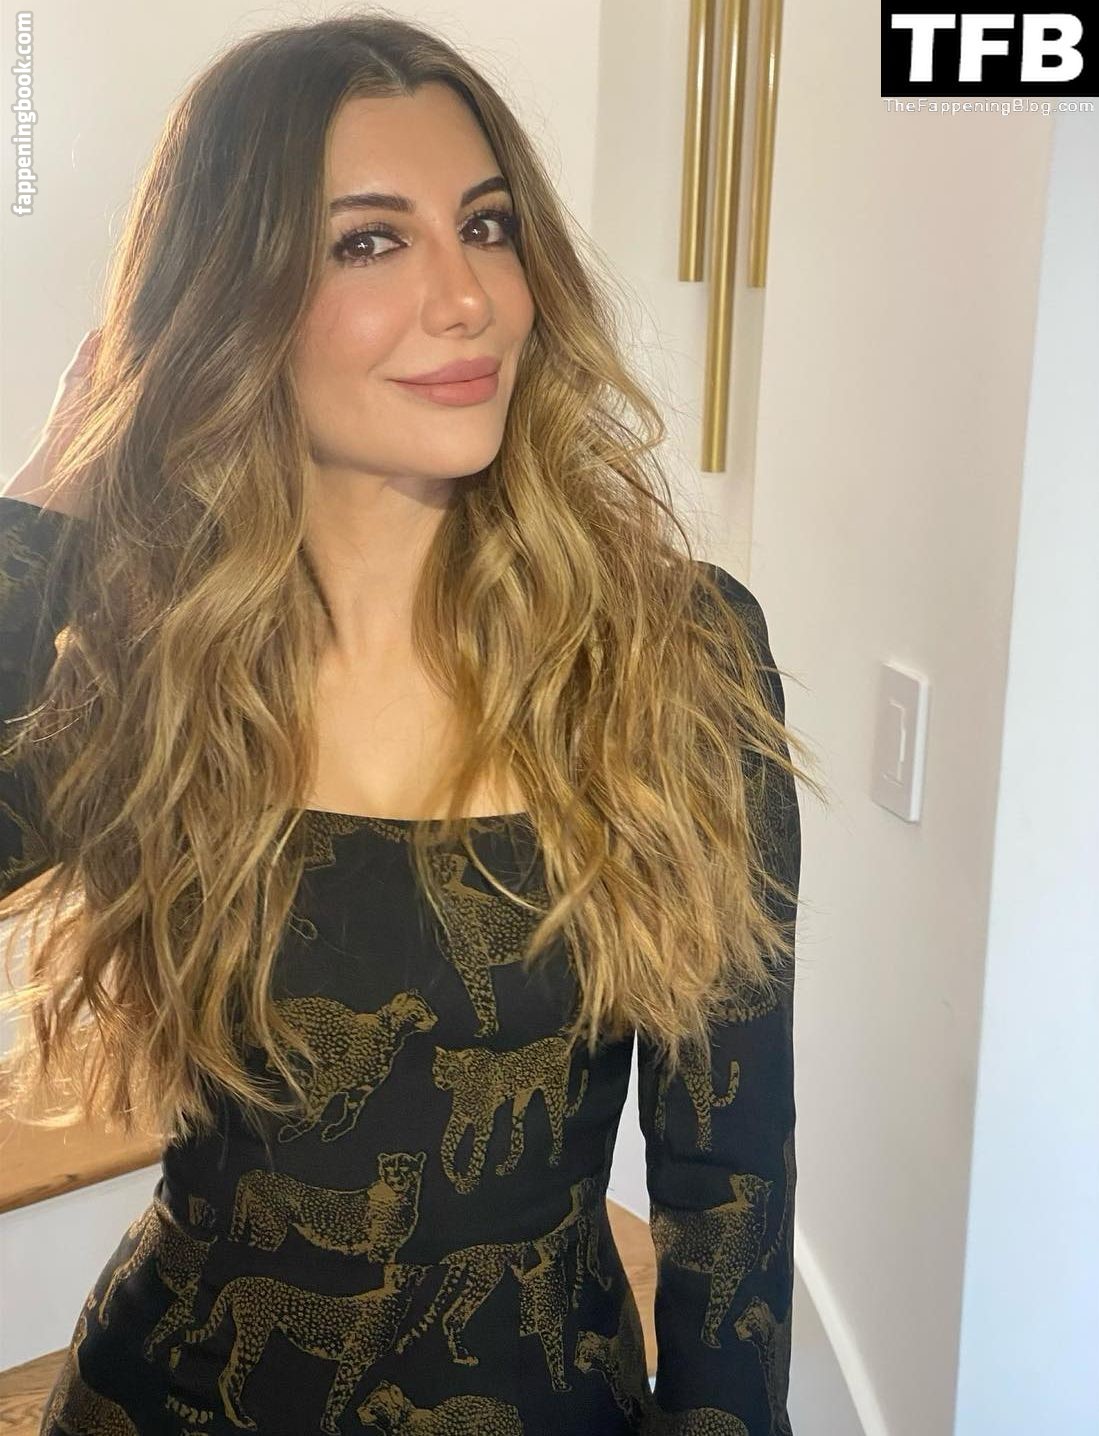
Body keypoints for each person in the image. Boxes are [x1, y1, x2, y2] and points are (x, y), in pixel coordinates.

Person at [0, 14, 824, 1435]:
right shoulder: (151, 651)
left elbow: (728, 1186)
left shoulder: (673, 656)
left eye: (486, 227)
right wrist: (47, 506)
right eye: (369, 242)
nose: (470, 299)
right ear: (231, 300)